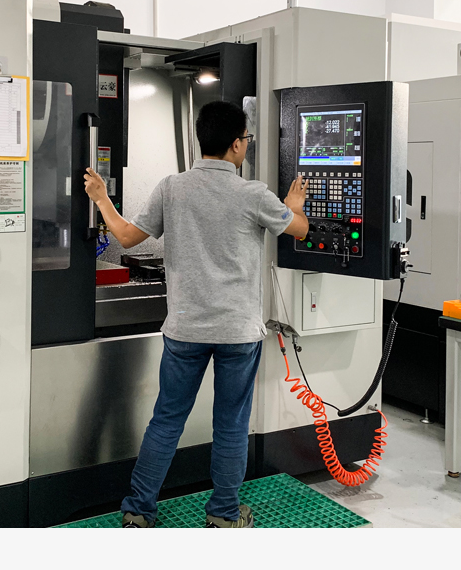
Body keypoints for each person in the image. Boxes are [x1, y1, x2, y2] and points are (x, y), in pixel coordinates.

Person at [83, 99, 309, 528]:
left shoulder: (171, 187)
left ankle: (138, 511)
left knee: (167, 420)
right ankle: (223, 515)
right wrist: (293, 202)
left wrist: (101, 198)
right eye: (246, 139)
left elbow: (126, 237)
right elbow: (299, 229)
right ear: (237, 145)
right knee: (231, 425)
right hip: (237, 333)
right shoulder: (253, 194)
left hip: (184, 330)